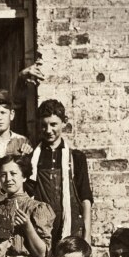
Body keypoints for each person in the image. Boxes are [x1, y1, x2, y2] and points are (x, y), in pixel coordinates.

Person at [27, 99, 94, 244]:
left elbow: (85, 197)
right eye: (44, 125)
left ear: (64, 122)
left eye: (53, 124)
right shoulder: (32, 157)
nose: (48, 130)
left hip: (71, 228)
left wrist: (87, 235)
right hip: (40, 229)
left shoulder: (76, 157)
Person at [0, 155, 54, 257]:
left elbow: (42, 254)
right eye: (3, 175)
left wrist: (27, 226)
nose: (8, 179)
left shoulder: (37, 208)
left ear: (24, 177)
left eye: (13, 174)